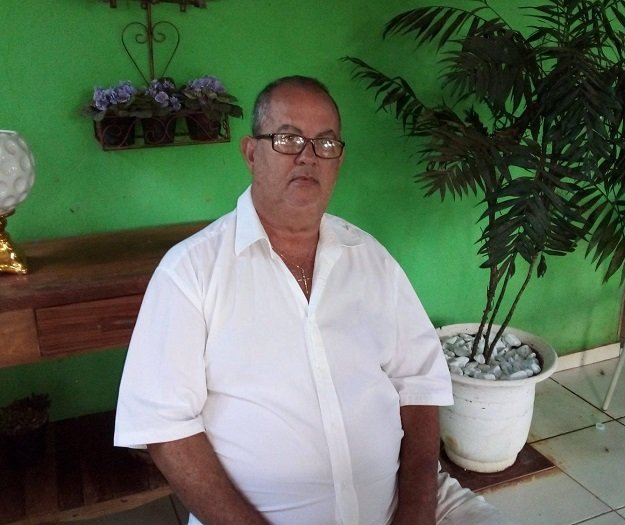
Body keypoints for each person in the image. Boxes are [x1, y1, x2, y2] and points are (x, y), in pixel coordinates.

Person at [114, 75, 515, 525]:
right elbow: (166, 430)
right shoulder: (190, 271)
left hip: (402, 503)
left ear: (338, 159)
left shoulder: (370, 258)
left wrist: (416, 511)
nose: (308, 156)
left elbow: (418, 384)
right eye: (288, 139)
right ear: (251, 153)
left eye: (325, 143)